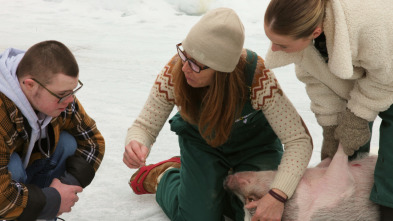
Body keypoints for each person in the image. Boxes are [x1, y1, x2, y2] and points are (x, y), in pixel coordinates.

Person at [123, 7, 312, 221]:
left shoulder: (257, 77)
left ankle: (213, 189)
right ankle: (166, 175)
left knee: (261, 213)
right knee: (198, 217)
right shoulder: (176, 70)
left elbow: (299, 140)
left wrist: (277, 196)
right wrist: (137, 141)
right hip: (203, 144)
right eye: (184, 54)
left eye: (195, 65)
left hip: (255, 147)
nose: (185, 67)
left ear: (222, 71)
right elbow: (145, 125)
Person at [262, 0, 393, 220]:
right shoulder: (302, 29)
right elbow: (320, 82)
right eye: (271, 40)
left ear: (315, 31)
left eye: (282, 45)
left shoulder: (370, 25)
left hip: (388, 69)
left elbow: (385, 80)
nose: (273, 49)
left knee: (390, 168)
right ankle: (353, 205)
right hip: (370, 69)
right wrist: (332, 127)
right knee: (348, 142)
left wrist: (357, 117)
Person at [0, 40, 105, 221]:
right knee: (13, 168)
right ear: (30, 85)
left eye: (73, 91)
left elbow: (93, 142)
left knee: (67, 143)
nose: (70, 100)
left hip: (25, 183)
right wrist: (52, 200)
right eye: (63, 94)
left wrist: (64, 188)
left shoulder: (59, 98)